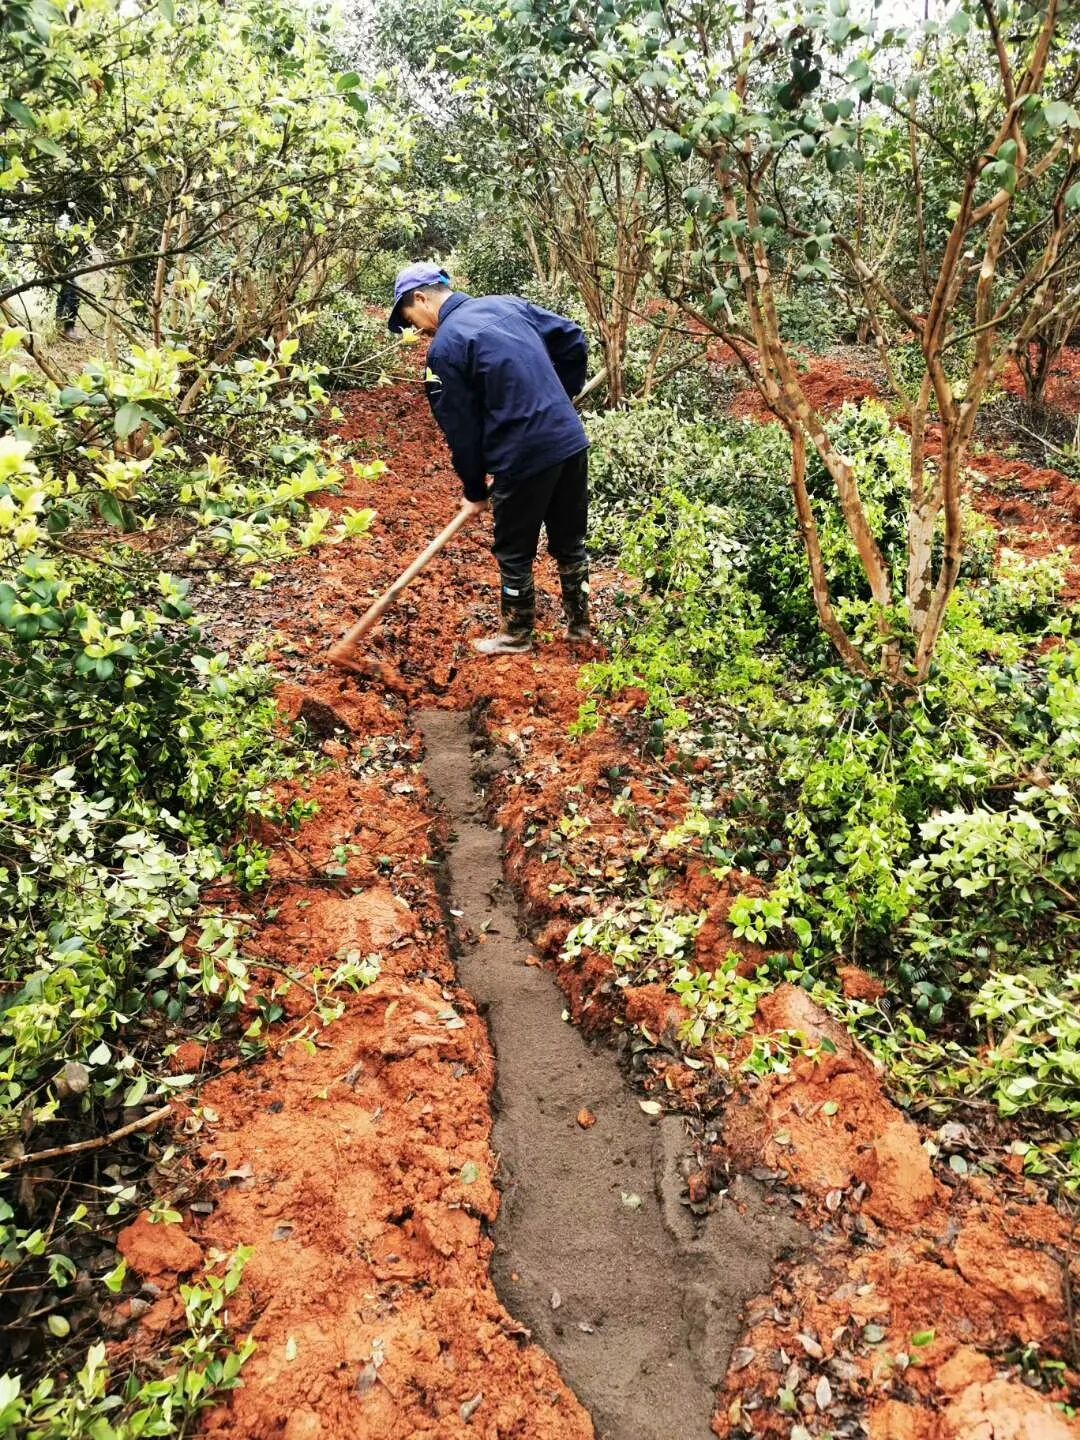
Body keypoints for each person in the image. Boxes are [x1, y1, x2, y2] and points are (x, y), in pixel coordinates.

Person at [388, 262, 591, 655]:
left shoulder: (445, 349)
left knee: (514, 549)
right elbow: (572, 337)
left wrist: (473, 488)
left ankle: (516, 635)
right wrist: (564, 396)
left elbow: (461, 433)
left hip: (522, 455)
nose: (416, 329)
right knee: (571, 542)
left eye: (410, 319)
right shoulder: (508, 305)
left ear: (421, 298)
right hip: (569, 440)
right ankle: (580, 629)